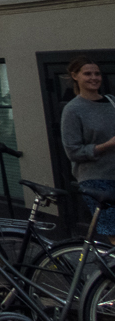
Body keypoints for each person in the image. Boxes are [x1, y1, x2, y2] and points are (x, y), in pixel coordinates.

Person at [61, 55, 115, 243]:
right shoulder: (73, 110)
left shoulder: (112, 103)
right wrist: (107, 145)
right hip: (97, 181)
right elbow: (73, 151)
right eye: (88, 74)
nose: (94, 78)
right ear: (75, 76)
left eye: (97, 73)